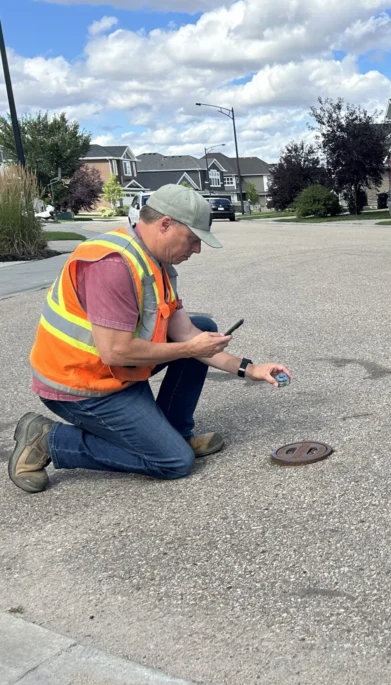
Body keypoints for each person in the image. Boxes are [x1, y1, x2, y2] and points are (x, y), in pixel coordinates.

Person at [8, 184, 291, 494]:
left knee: (202, 327)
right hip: (81, 386)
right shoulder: (113, 265)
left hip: (113, 374)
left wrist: (251, 369)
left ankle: (173, 432)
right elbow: (116, 352)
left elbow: (187, 333)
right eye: (193, 240)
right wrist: (188, 349)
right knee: (173, 462)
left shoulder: (158, 263)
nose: (196, 250)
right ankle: (48, 439)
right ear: (166, 224)